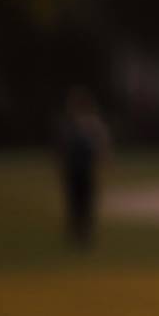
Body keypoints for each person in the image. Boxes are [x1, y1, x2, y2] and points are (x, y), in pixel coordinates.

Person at [55, 85, 111, 248]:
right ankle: (75, 233)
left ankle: (85, 234)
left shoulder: (92, 124)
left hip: (85, 169)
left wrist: (103, 159)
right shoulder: (67, 124)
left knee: (86, 202)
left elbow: (102, 144)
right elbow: (61, 148)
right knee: (74, 202)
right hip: (73, 169)